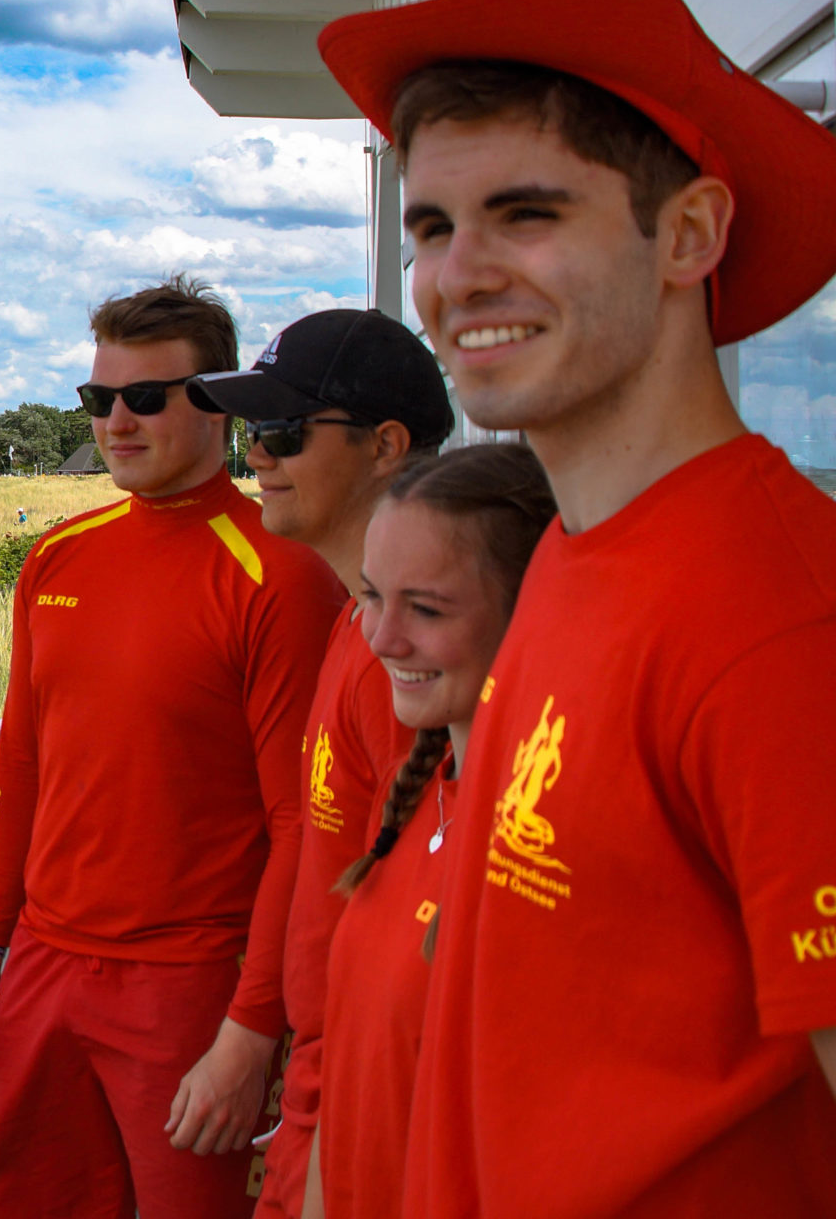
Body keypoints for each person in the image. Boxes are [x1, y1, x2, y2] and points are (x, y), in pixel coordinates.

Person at [317, 0, 836, 1217]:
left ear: (686, 234)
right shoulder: (575, 557)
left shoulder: (789, 635)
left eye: (524, 214)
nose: (454, 276)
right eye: (428, 227)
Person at [0, 277, 349, 1217]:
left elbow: (301, 826)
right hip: (46, 968)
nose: (117, 421)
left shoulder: (279, 573)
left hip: (192, 984)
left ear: (219, 408)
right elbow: (24, 766)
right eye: (98, 399)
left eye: (146, 398)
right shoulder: (59, 556)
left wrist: (251, 1028)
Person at [185, 306, 456, 1217]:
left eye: (283, 432)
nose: (255, 455)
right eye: (254, 432)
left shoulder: (413, 662)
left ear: (386, 446)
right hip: (320, 1074)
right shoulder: (359, 621)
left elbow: (427, 944)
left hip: (365, 1098)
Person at [308, 443, 556, 1219]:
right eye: (374, 597)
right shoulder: (417, 799)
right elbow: (355, 1074)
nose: (381, 639)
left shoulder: (541, 850)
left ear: (532, 614)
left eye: (427, 608)